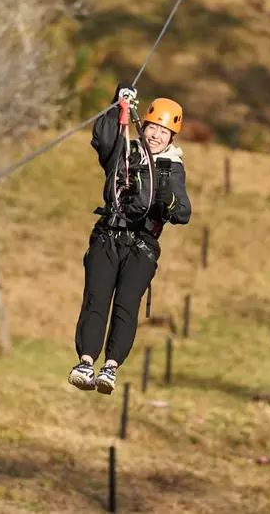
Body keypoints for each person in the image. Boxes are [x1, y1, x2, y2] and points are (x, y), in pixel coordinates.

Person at [68, 82, 192, 395]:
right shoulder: (124, 150)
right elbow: (103, 138)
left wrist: (166, 203)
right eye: (153, 128)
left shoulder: (173, 168)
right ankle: (85, 361)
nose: (156, 135)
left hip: (141, 248)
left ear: (171, 138)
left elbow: (183, 211)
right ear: (144, 126)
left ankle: (110, 366)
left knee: (125, 306)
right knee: (96, 299)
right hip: (108, 236)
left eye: (163, 132)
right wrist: (116, 105)